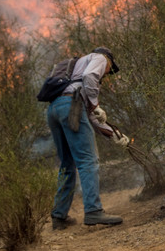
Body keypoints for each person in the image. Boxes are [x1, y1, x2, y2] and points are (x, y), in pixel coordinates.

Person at [46, 47, 130, 230]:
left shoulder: (75, 70)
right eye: (110, 69)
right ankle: (93, 211)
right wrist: (95, 104)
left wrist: (115, 135)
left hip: (55, 109)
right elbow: (90, 77)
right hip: (71, 106)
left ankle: (59, 216)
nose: (107, 73)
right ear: (108, 60)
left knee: (67, 164)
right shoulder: (100, 58)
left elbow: (92, 118)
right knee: (88, 161)